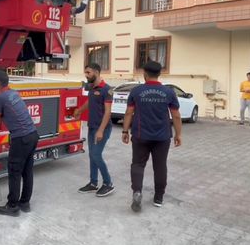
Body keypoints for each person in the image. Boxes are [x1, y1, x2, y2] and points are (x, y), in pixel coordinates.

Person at [121, 61, 182, 212]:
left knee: (138, 164)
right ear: (159, 74)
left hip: (141, 135)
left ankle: (137, 192)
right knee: (160, 166)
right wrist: (178, 134)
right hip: (162, 137)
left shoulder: (136, 91)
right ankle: (158, 198)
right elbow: (176, 115)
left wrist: (124, 131)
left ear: (145, 74)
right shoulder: (169, 92)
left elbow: (129, 112)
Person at [0, 70, 39, 217]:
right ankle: (25, 203)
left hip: (21, 138)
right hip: (33, 135)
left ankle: (12, 206)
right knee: (27, 171)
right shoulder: (13, 93)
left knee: (14, 171)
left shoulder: (0, 98)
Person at [72, 63, 115, 197]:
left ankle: (108, 183)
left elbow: (108, 112)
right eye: (85, 72)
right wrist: (79, 110)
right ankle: (93, 183)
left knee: (96, 154)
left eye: (88, 72)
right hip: (92, 127)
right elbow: (89, 102)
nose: (86, 75)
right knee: (92, 155)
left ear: (96, 72)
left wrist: (101, 130)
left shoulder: (107, 90)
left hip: (102, 128)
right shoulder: (91, 87)